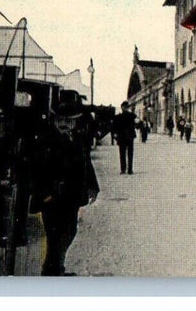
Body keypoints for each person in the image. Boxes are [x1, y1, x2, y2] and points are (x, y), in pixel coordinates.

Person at [32, 103, 99, 276]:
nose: (64, 124)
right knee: (56, 238)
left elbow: (86, 164)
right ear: (54, 121)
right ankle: (52, 273)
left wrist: (93, 186)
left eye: (68, 121)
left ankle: (56, 269)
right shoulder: (45, 140)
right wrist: (45, 194)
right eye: (60, 120)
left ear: (75, 123)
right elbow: (35, 169)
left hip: (72, 197)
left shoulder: (78, 139)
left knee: (69, 232)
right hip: (53, 199)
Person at [112, 101, 138, 174]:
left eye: (125, 107)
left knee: (123, 153)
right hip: (128, 136)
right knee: (128, 153)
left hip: (123, 137)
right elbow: (137, 123)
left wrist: (115, 134)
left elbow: (114, 127)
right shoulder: (132, 116)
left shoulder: (118, 117)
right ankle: (128, 169)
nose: (125, 108)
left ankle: (125, 169)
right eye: (125, 107)